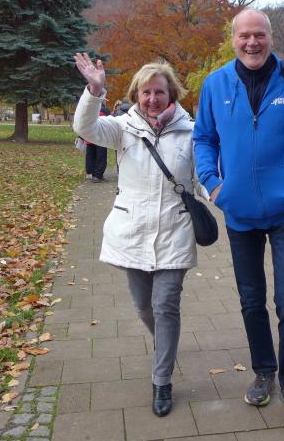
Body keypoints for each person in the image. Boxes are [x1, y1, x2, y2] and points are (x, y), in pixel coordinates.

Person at [193, 9, 284, 431]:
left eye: (259, 35)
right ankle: (263, 371)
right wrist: (213, 184)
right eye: (244, 35)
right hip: (239, 212)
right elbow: (204, 138)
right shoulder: (216, 84)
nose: (252, 42)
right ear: (232, 38)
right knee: (251, 300)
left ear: (271, 38)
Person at [73, 53, 204, 417]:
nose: (152, 99)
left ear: (171, 94)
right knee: (144, 307)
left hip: (175, 230)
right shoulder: (122, 128)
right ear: (136, 95)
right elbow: (85, 128)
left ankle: (162, 380)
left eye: (159, 92)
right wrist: (94, 91)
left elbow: (202, 178)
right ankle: (166, 341)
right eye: (146, 92)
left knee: (165, 305)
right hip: (133, 233)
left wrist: (221, 193)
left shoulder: (192, 132)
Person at [84, 104, 109, 182]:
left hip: (90, 139)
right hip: (100, 139)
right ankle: (98, 176)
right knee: (101, 158)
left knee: (91, 157)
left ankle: (93, 174)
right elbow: (107, 126)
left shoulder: (88, 113)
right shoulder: (103, 114)